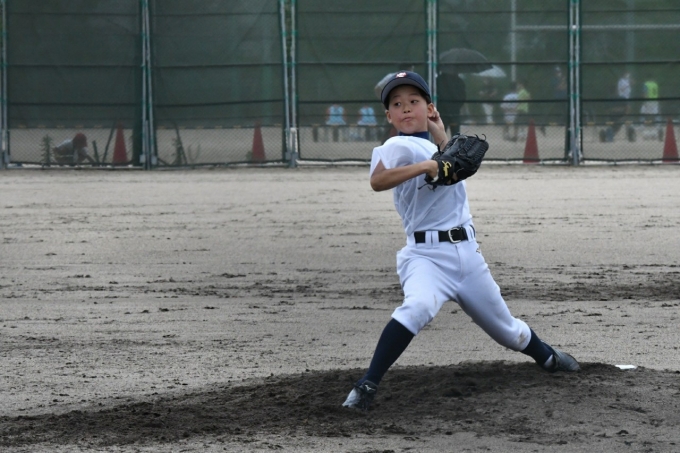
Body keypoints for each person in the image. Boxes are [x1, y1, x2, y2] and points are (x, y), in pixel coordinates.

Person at [342, 71, 580, 412]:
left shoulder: (435, 148)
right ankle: (367, 384)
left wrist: (439, 134)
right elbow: (378, 180)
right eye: (396, 104)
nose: (405, 108)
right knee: (418, 307)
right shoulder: (397, 146)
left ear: (429, 108)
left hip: (468, 256)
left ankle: (548, 357)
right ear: (389, 116)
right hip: (426, 257)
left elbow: (448, 163)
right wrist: (426, 165)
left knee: (508, 332)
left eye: (414, 101)